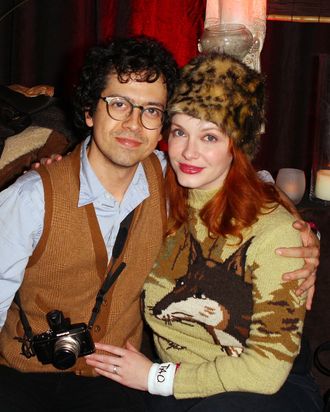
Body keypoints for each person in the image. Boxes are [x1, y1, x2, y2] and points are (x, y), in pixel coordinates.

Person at [0, 37, 319, 411]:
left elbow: (246, 181)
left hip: (127, 379)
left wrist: (304, 236)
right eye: (118, 104)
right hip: (25, 373)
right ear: (89, 111)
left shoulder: (169, 181)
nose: (134, 124)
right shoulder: (34, 198)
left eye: (151, 110)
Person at [85, 52, 324, 411]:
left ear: (237, 145)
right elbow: (95, 162)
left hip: (267, 389)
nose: (189, 152)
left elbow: (266, 372)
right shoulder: (154, 195)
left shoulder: (277, 233)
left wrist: (156, 378)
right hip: (181, 385)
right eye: (180, 132)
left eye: (210, 137)